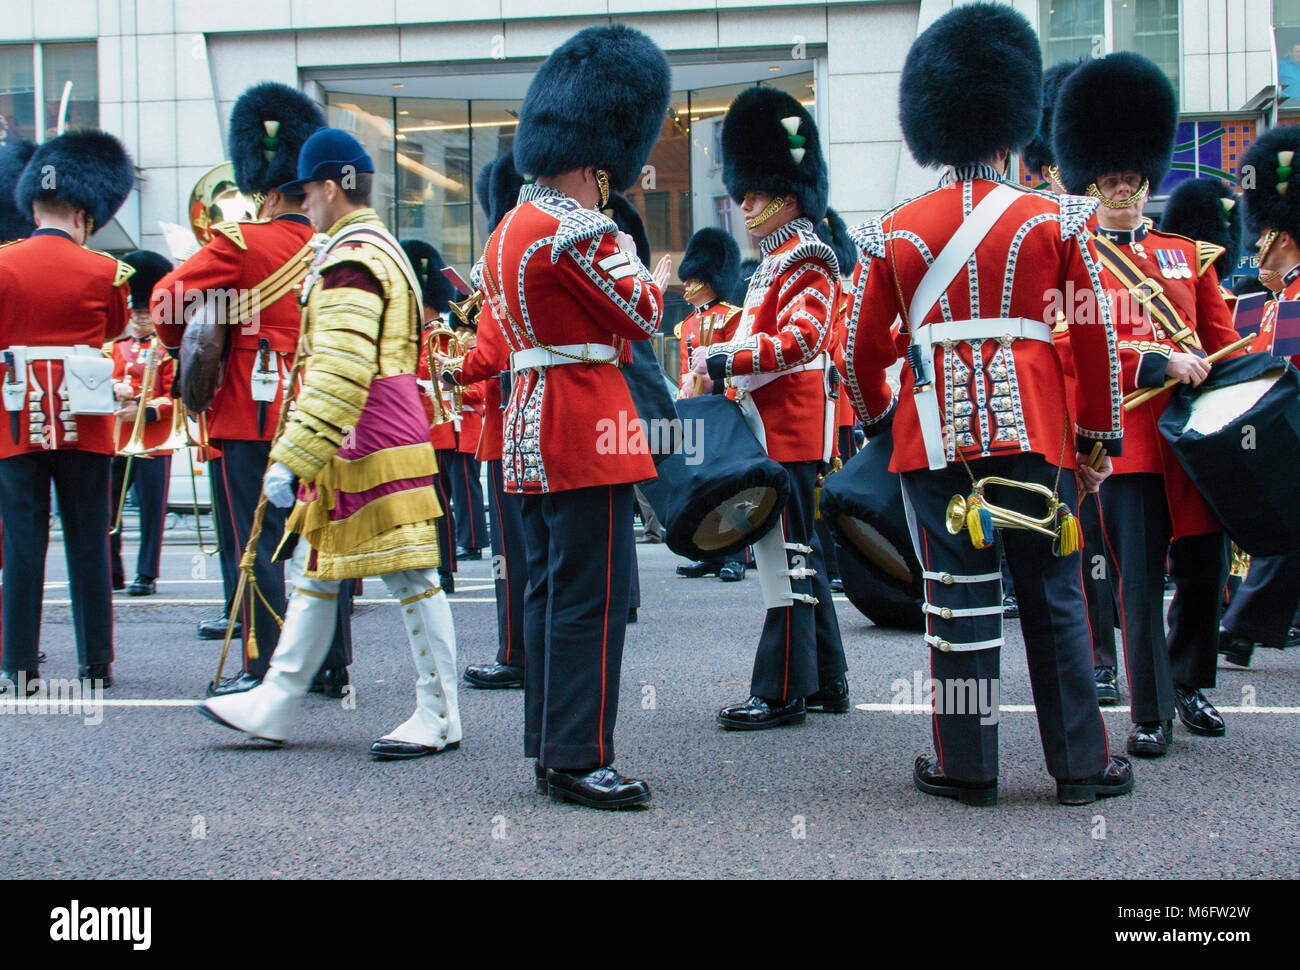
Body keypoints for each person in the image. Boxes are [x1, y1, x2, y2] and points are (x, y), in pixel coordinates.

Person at [846, 3, 1131, 806]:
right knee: (1054, 597)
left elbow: (862, 353)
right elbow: (1093, 336)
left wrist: (877, 423)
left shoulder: (896, 231)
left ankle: (968, 767)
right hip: (1039, 432)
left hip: (937, 442)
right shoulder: (1056, 217)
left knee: (959, 604)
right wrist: (1096, 436)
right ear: (1010, 126)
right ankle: (1081, 767)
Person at [198, 127, 460, 759]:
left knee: (410, 572)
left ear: (328, 186)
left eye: (307, 189)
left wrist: (292, 455)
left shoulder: (350, 257)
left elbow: (339, 369)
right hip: (368, 430)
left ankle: (440, 712)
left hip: (367, 434)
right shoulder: (369, 245)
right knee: (317, 569)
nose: (302, 201)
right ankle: (277, 699)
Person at [492, 24, 670, 807]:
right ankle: (579, 756)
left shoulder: (508, 229)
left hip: (530, 424)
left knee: (545, 590)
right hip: (586, 427)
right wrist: (639, 258)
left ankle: (548, 743)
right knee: (591, 597)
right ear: (597, 163)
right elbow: (645, 315)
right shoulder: (576, 231)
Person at [1053, 52, 1243, 757]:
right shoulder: (1075, 259)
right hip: (1130, 438)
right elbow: (1072, 342)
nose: (1122, 189)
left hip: (1194, 440)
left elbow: (1224, 345)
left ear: (1145, 180)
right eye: (1110, 180)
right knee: (1135, 576)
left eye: (1131, 179)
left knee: (1201, 569)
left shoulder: (1188, 256)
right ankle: (1150, 708)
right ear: (1093, 183)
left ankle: (1192, 683)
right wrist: (1154, 360)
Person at [153, 82, 353, 700]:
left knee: (259, 539)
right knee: (326, 536)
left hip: (255, 408)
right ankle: (330, 663)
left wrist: (204, 326)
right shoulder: (342, 246)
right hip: (328, 406)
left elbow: (165, 304)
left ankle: (265, 664)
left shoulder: (239, 244)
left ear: (261, 183)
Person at [691, 85, 849, 729]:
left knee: (781, 559)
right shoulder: (775, 260)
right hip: (775, 424)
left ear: (787, 195)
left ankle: (781, 689)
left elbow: (802, 341)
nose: (745, 204)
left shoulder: (806, 256)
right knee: (798, 553)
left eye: (754, 194)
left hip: (789, 427)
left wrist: (723, 360)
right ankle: (828, 680)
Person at [0, 130, 134, 696]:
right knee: (87, 537)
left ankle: (19, 664)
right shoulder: (104, 271)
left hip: (15, 414)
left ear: (31, 207)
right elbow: (115, 329)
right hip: (85, 414)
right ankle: (96, 662)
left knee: (22, 542)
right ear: (81, 212)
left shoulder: (3, 263)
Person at [1020, 57, 1118, 702]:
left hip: (1095, 415)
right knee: (1073, 554)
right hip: (1055, 413)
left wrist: (1095, 437)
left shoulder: (1087, 232)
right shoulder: (1045, 229)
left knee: (1102, 550)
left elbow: (1097, 338)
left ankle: (1114, 661)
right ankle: (1096, 663)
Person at [446, 152, 529, 690]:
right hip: (532, 427)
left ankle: (515, 651)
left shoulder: (502, 269)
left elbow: (490, 356)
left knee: (512, 554)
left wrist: (453, 369)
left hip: (505, 430)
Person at [1218, 127, 1300, 666]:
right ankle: (1246, 624)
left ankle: (1242, 624)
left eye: (1262, 234)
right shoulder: (1274, 301)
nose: (1256, 248)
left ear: (1281, 234)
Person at [674, 226, 746, 582]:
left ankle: (734, 553)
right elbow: (685, 369)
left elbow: (738, 364)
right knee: (703, 483)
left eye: (692, 280)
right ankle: (709, 552)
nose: (686, 286)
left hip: (722, 406)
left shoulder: (732, 317)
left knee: (729, 482)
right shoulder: (687, 324)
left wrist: (717, 385)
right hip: (696, 409)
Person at [109, 250, 176, 597]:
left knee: (152, 512)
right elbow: (106, 381)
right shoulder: (118, 348)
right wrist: (114, 388)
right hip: (120, 438)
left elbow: (171, 396)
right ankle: (112, 571)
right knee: (110, 508)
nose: (141, 319)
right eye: (136, 313)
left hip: (154, 439)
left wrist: (145, 411)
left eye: (146, 313)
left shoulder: (167, 349)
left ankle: (146, 574)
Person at [403, 239, 461, 595]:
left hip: (436, 433)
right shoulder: (414, 336)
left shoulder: (437, 337)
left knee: (438, 504)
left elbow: (435, 373)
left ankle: (445, 569)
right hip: (416, 432)